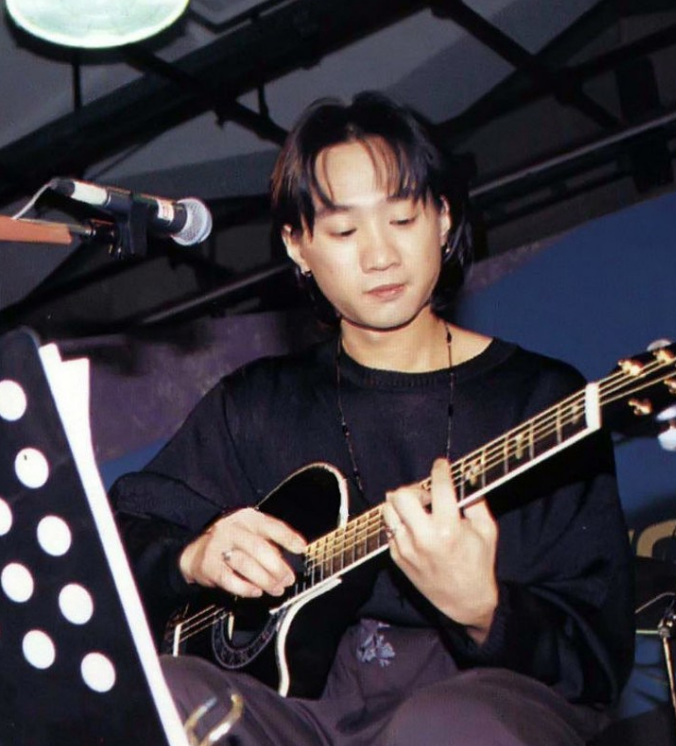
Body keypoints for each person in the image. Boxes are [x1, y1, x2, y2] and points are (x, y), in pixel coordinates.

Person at [109, 92, 635, 745]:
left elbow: (596, 656)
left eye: (403, 218)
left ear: (444, 218)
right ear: (298, 246)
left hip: (480, 706)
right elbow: (119, 535)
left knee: (440, 727)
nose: (380, 255)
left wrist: (485, 609)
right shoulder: (257, 404)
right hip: (304, 715)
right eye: (344, 232)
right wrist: (192, 556)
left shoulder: (542, 399)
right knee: (164, 693)